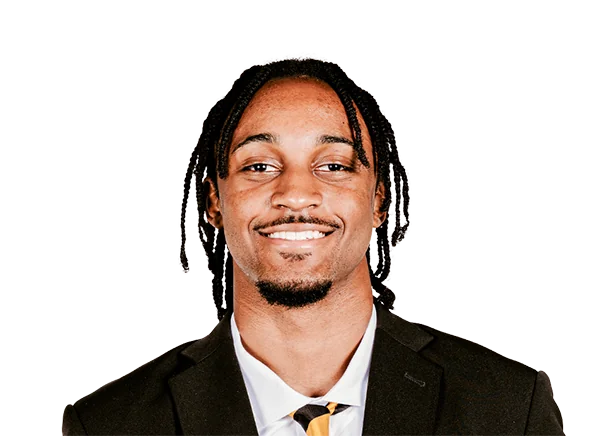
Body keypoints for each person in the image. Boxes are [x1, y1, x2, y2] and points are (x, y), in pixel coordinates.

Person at [61, 57, 565, 435]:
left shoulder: (506, 407)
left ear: (378, 200)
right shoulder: (109, 426)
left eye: (334, 165)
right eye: (259, 165)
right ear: (214, 202)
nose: (296, 193)